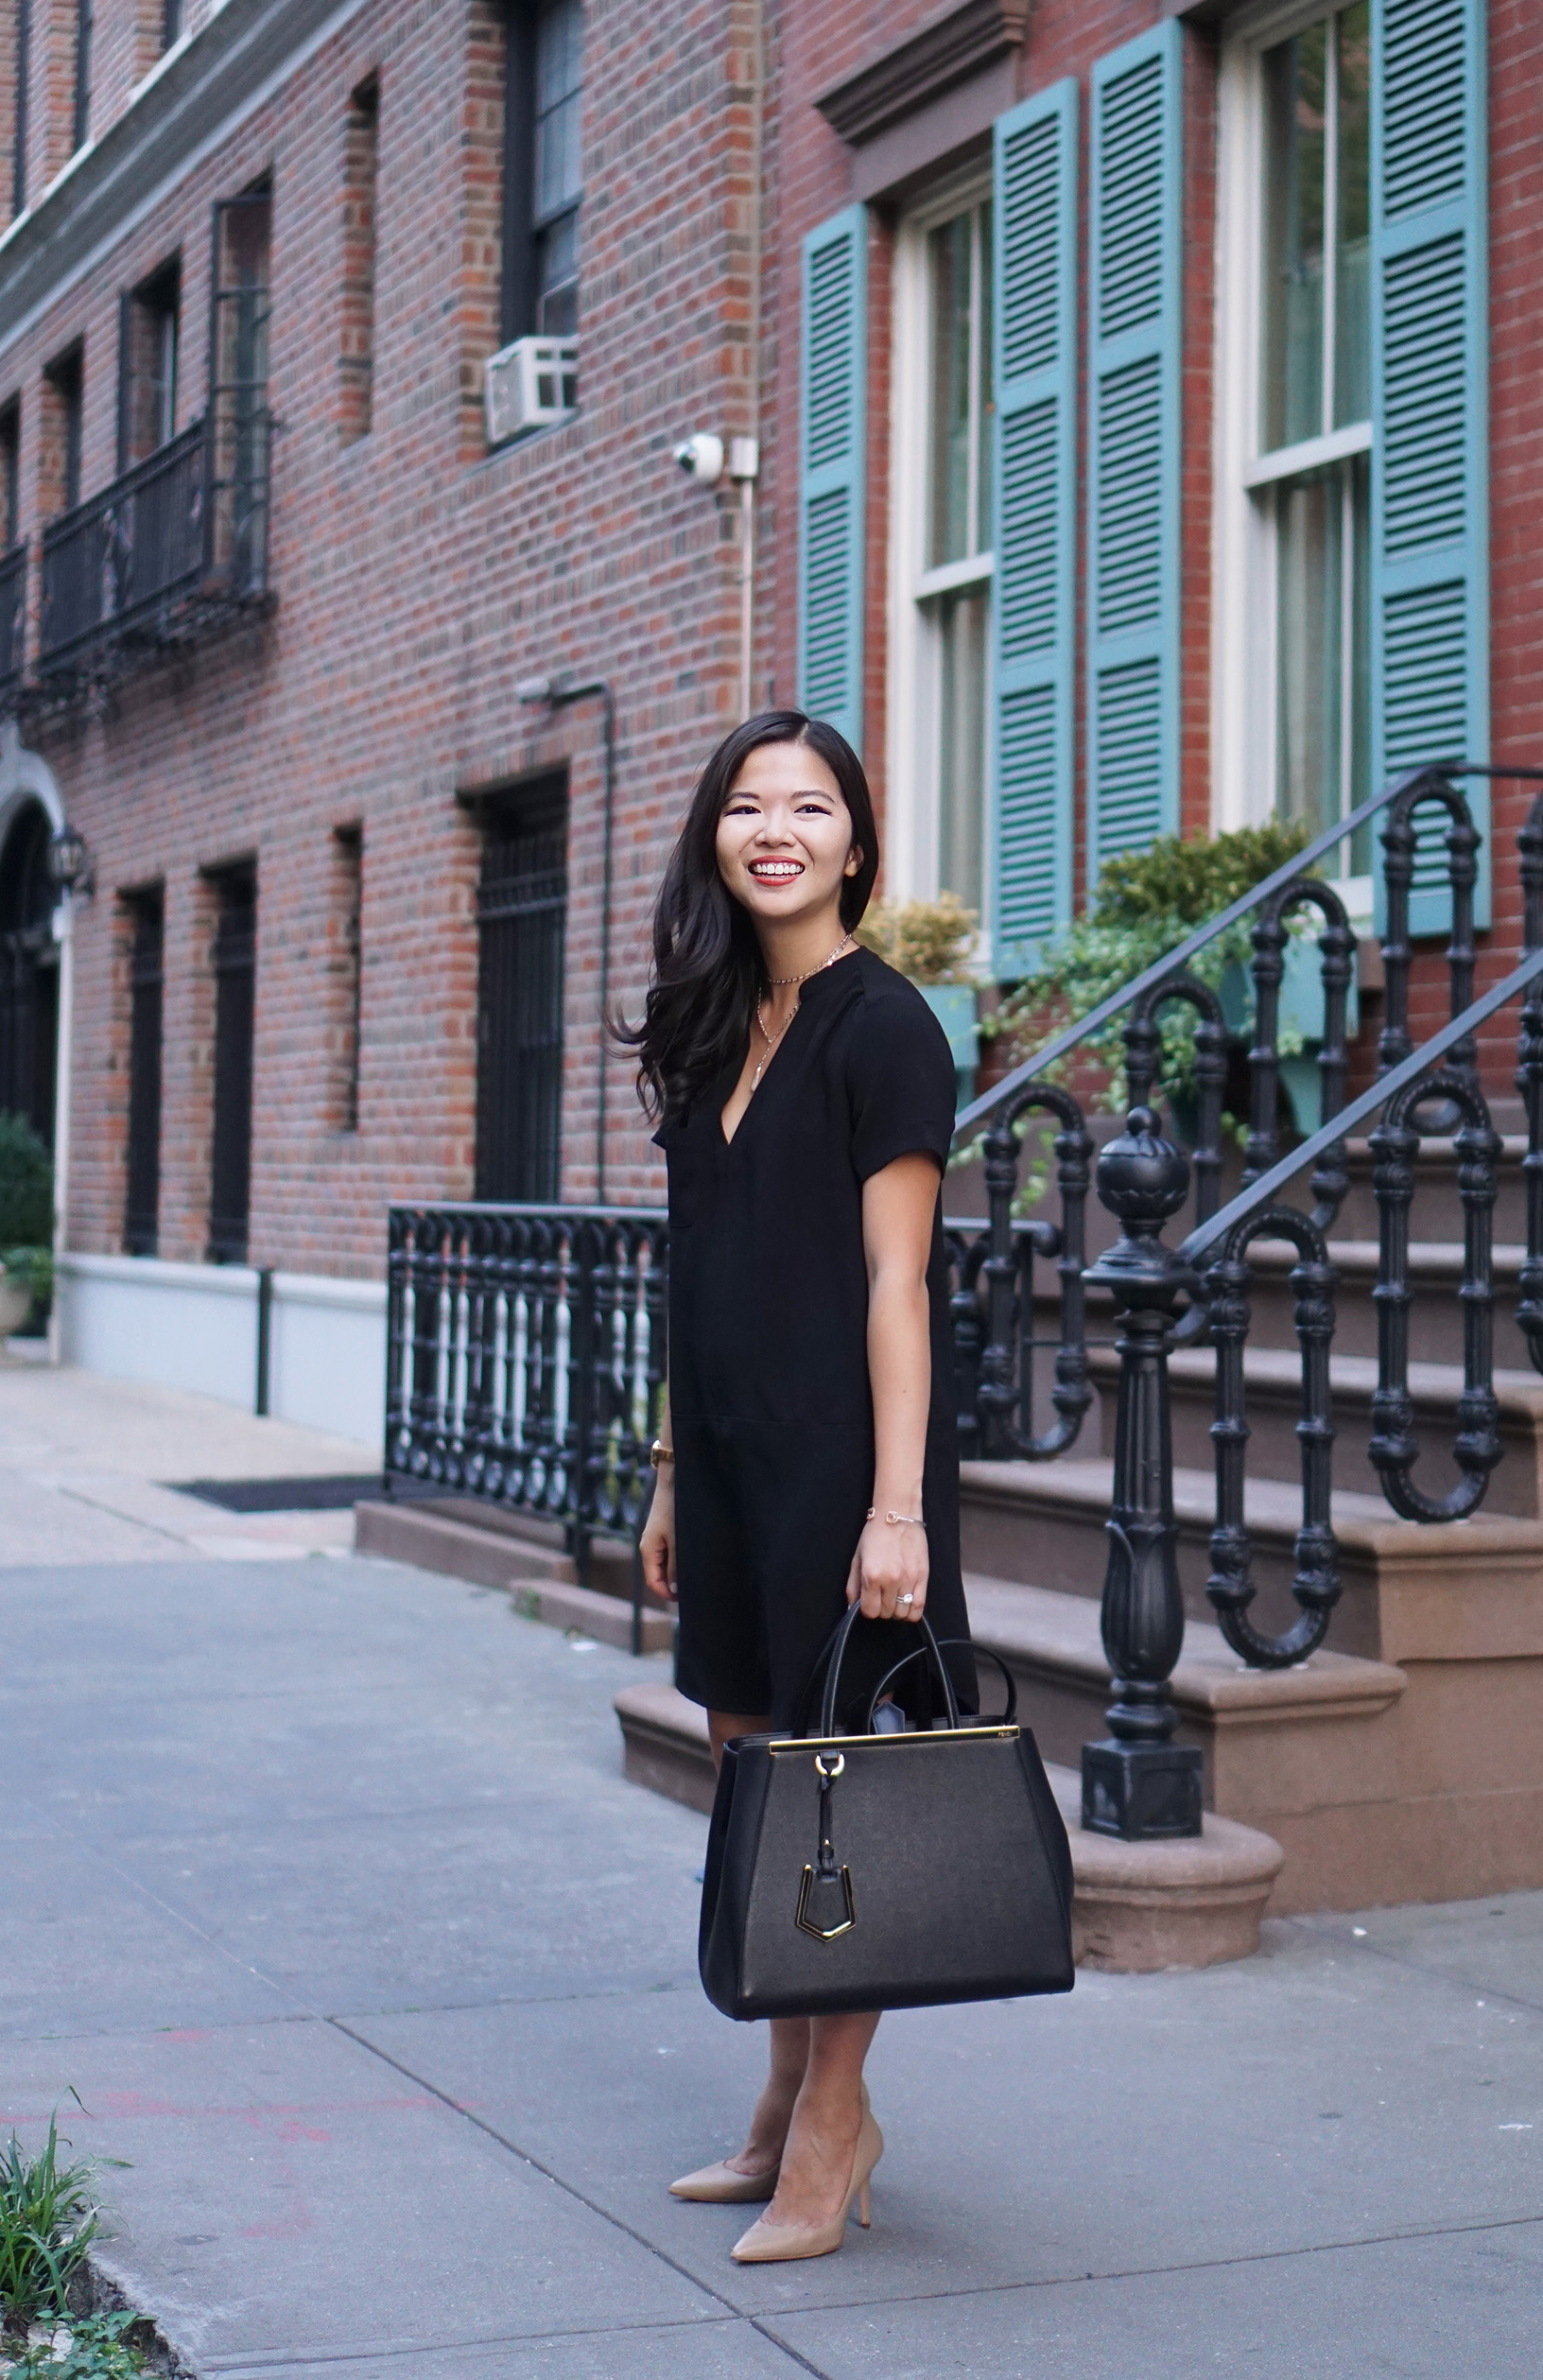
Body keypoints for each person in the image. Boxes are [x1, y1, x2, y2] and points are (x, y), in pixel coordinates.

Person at [628, 708, 970, 2266]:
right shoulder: (708, 1031)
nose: (778, 828)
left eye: (811, 805)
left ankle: (834, 2128)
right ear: (715, 837)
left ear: (855, 841)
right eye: (748, 805)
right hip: (735, 1464)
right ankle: (779, 2106)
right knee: (761, 1794)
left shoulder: (884, 1026)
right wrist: (669, 1472)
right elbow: (695, 1275)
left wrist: (896, 1512)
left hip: (846, 1474)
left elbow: (899, 1286)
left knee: (842, 1809)